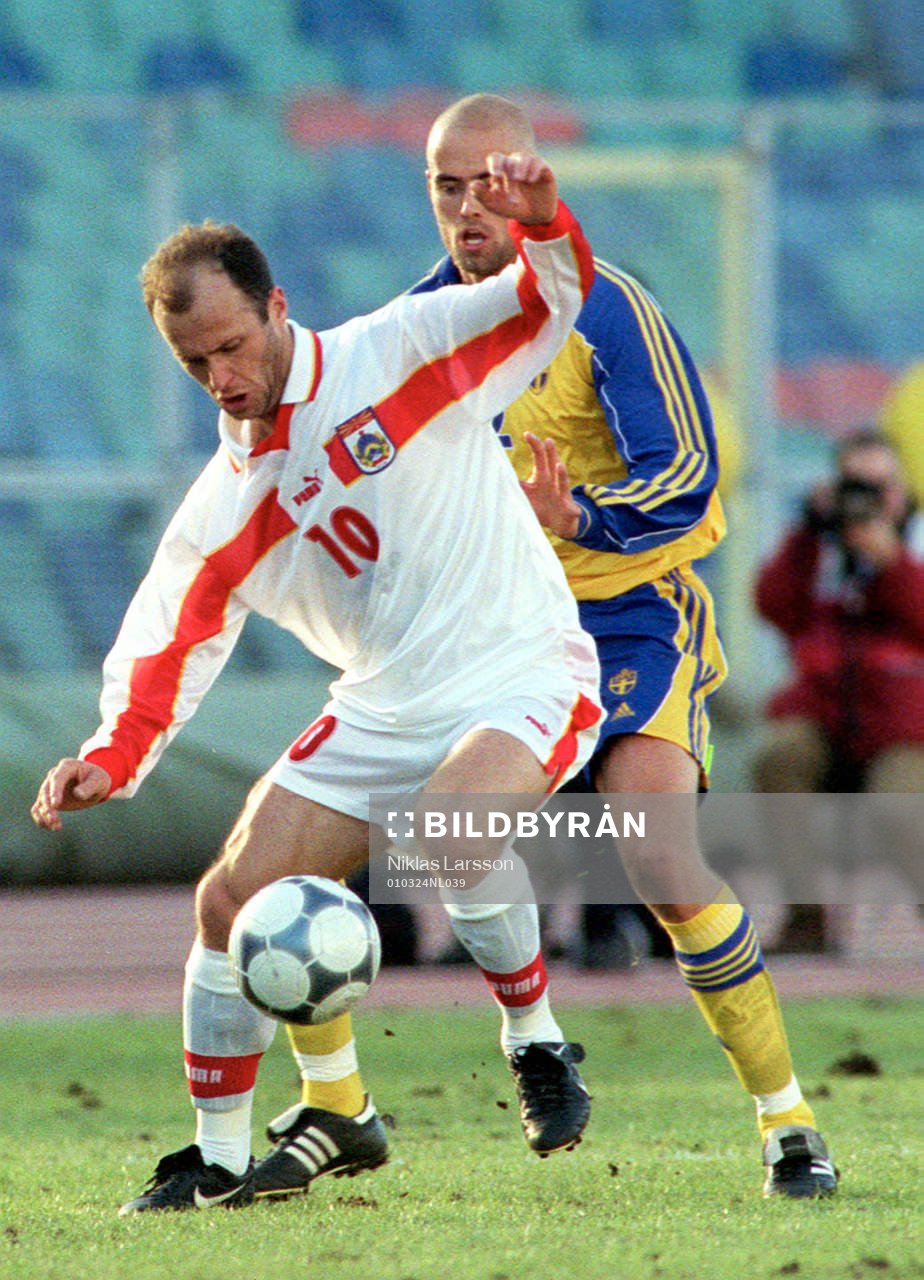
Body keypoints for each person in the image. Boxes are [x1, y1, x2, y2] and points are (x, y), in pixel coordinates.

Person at [30, 150, 604, 1214]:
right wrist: (113, 755)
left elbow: (546, 302)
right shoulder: (223, 506)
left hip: (518, 660)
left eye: (235, 344)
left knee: (453, 828)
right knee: (230, 898)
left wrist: (545, 219)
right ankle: (225, 1149)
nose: (225, 377)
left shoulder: (398, 350)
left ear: (278, 305)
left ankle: (535, 1038)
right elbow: (168, 642)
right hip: (384, 699)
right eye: (198, 365)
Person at [390, 91, 833, 1199]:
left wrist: (579, 517)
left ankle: (790, 1125)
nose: (467, 206)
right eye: (446, 185)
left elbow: (689, 478)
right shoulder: (415, 330)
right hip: (506, 629)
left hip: (629, 606)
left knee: (658, 853)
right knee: (438, 833)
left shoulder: (607, 309)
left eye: (487, 179)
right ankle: (514, 1052)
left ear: (529, 176)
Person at [753, 428, 924, 952]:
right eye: (856, 484)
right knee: (777, 760)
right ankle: (807, 919)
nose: (868, 500)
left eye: (880, 486)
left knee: (899, 803)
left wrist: (891, 561)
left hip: (906, 725)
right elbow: (774, 607)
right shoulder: (817, 545)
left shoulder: (916, 544)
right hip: (828, 715)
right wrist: (807, 533)